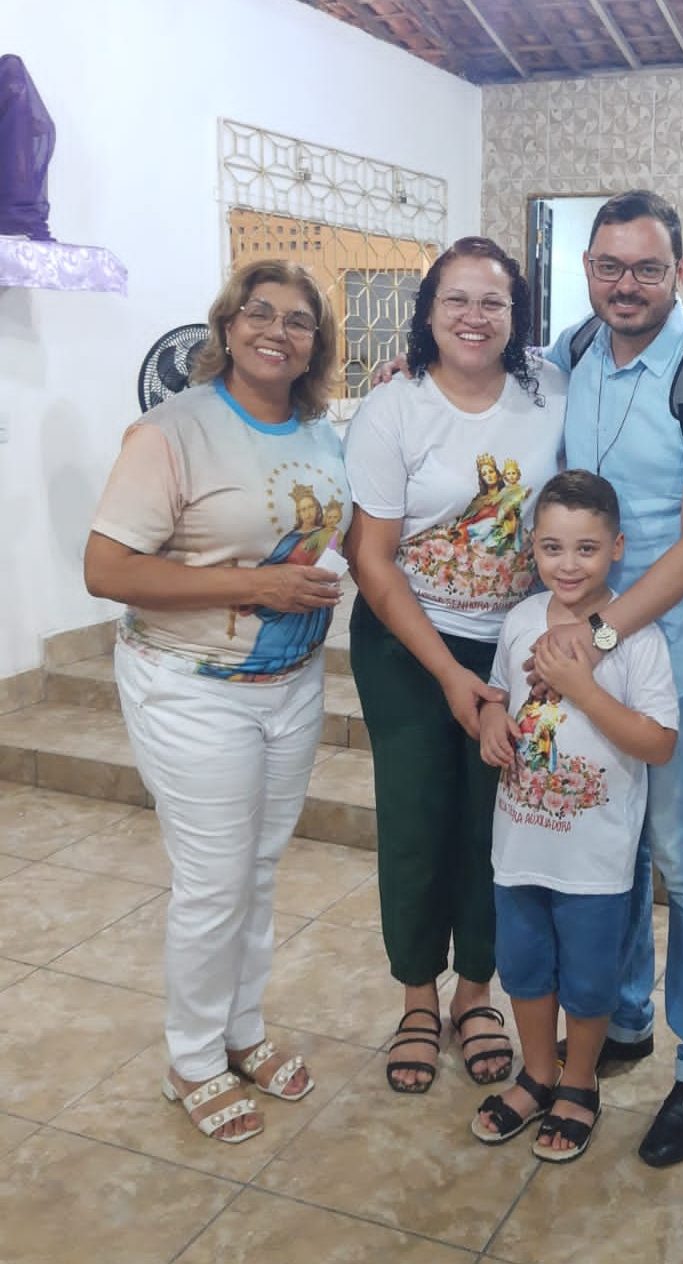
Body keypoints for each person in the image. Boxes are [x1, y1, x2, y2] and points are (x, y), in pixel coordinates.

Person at [84, 259, 349, 1143]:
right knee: (212, 881)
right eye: (259, 313)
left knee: (259, 869)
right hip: (192, 686)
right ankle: (193, 1058)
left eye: (299, 321)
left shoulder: (319, 431)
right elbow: (105, 569)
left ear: (317, 344)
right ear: (228, 327)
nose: (278, 331)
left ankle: (241, 1030)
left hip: (291, 683)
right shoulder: (173, 430)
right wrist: (254, 586)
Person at [538, 190, 683, 1167]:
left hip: (672, 653)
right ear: (587, 268)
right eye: (608, 266)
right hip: (595, 644)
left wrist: (598, 633)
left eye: (645, 268)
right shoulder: (575, 350)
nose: (624, 285)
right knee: (610, 843)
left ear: (680, 269)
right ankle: (624, 1015)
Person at [343, 236, 567, 1096]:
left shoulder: (550, 391)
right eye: (457, 300)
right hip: (408, 644)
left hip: (512, 645)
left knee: (493, 825)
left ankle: (476, 993)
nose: (475, 317)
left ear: (517, 315)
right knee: (415, 821)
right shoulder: (393, 406)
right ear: (428, 312)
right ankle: (416, 998)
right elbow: (372, 558)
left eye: (493, 302)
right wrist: (445, 673)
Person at [471, 470, 678, 1162]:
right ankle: (537, 1073)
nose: (568, 565)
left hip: (594, 856)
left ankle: (579, 1081)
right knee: (524, 966)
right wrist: (491, 719)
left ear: (617, 548)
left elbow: (659, 742)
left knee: (589, 979)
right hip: (520, 845)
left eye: (586, 549)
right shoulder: (519, 620)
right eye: (553, 547)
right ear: (532, 546)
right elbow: (497, 692)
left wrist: (582, 688)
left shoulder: (637, 636)